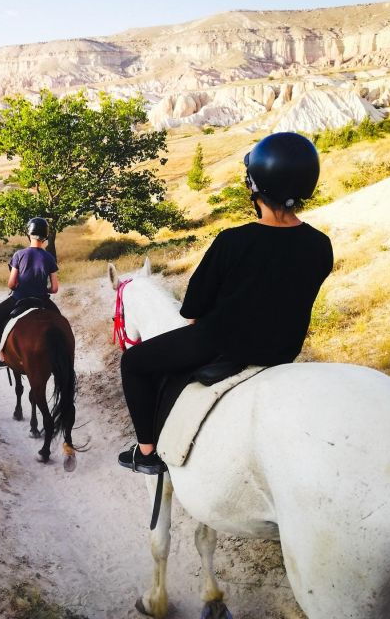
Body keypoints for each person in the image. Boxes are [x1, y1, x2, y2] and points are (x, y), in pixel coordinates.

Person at [118, 132, 334, 475]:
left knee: (133, 362)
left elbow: (192, 312)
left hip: (223, 347)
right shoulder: (321, 245)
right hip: (281, 351)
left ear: (255, 186)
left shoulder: (233, 241)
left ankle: (146, 453)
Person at [0, 217, 61, 368]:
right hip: (41, 300)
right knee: (60, 322)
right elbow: (54, 289)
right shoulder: (49, 257)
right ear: (45, 236)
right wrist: (42, 289)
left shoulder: (19, 255)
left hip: (19, 298)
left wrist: (21, 286)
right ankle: (59, 355)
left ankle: (1, 357)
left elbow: (11, 284)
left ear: (29, 233)